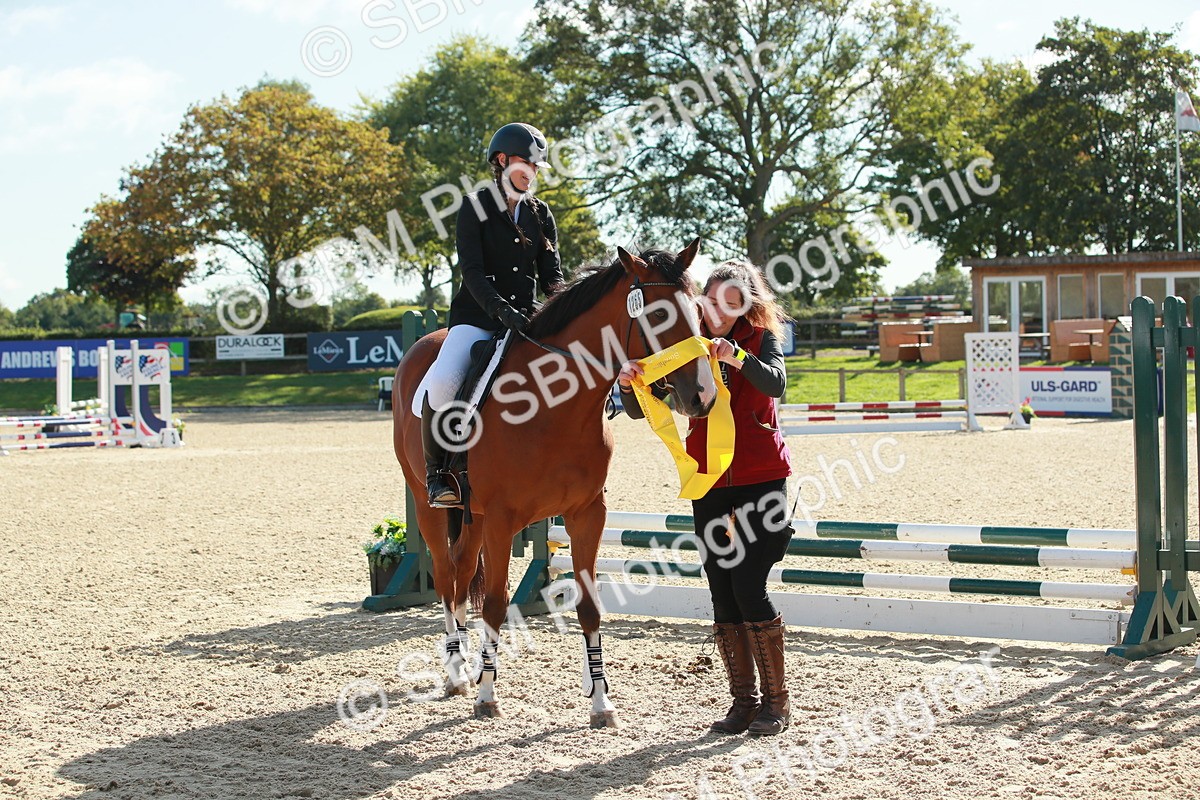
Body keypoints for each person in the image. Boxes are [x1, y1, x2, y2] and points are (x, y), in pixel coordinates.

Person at [619, 260, 793, 735]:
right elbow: (645, 406)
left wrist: (737, 356)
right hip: (710, 480)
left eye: (731, 303)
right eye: (712, 300)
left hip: (762, 479)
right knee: (721, 587)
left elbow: (776, 383)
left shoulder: (760, 339)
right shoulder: (685, 343)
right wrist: (629, 385)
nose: (718, 311)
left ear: (746, 307)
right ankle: (743, 703)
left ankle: (777, 704)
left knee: (748, 586)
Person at [412, 123, 563, 507]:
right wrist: (500, 309)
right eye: (526, 163)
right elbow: (473, 272)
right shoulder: (474, 206)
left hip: (526, 319)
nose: (531, 172)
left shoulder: (541, 213)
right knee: (443, 381)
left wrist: (563, 309)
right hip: (477, 317)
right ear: (502, 160)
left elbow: (552, 276)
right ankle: (437, 475)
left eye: (536, 166)